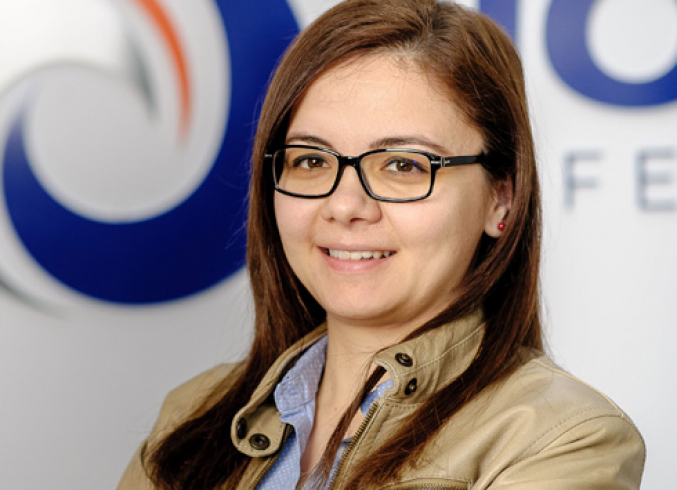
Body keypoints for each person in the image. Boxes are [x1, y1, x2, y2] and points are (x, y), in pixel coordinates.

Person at [119, 0, 645, 488]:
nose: (345, 205)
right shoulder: (192, 417)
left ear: (500, 200)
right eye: (311, 160)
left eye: (403, 165)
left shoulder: (564, 438)